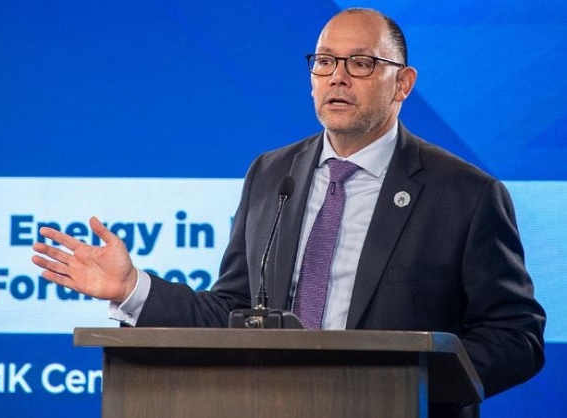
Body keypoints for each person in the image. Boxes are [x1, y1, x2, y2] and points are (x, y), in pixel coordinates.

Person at [32, 7, 545, 417]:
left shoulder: (465, 192)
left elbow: (515, 336)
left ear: (403, 83)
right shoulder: (272, 173)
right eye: (324, 61)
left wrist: (411, 382)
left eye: (360, 63)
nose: (337, 78)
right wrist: (132, 289)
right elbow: (235, 309)